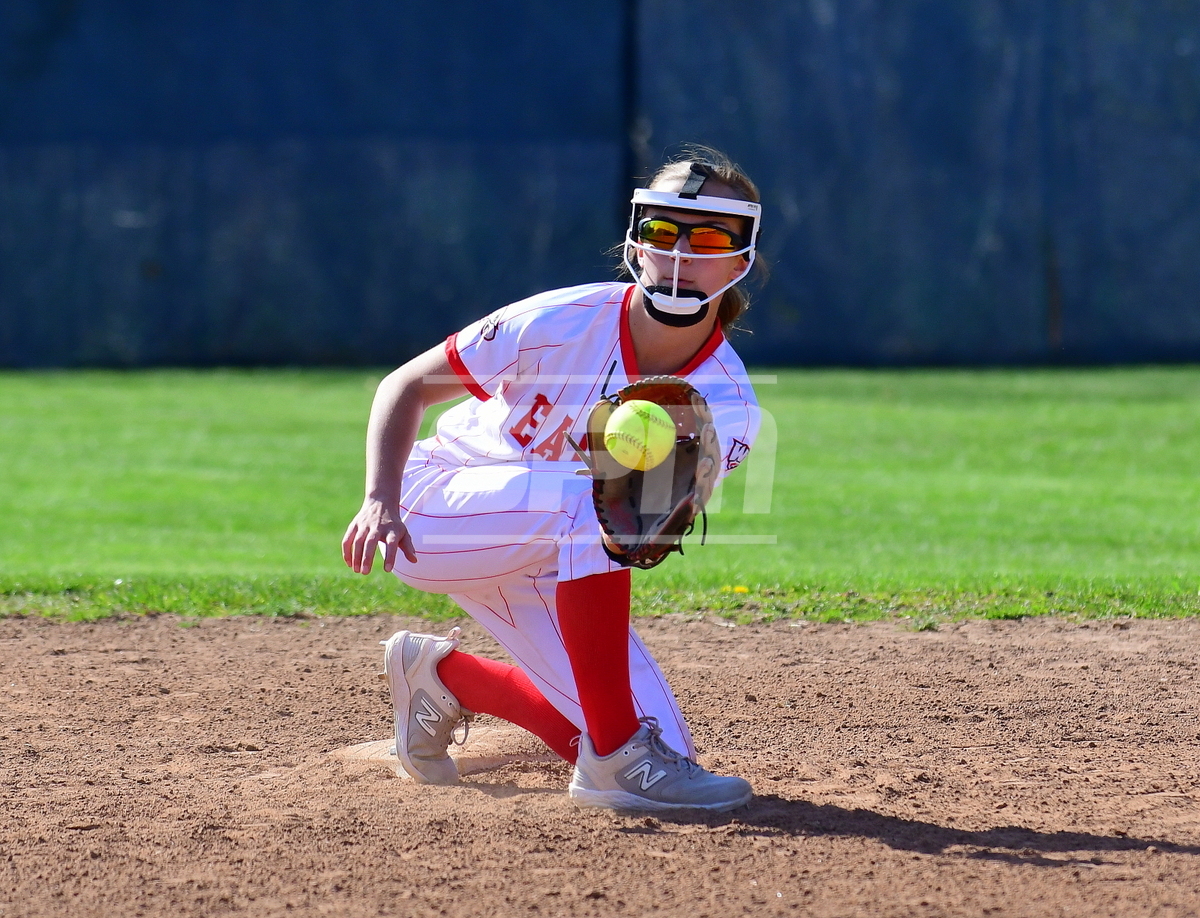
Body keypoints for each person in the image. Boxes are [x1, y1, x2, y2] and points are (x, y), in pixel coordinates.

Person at [341, 146, 764, 813]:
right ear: (637, 241)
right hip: (436, 507)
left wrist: (659, 508)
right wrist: (379, 499)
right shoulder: (561, 319)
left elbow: (635, 533)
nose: (680, 252)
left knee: (661, 743)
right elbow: (407, 385)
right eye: (662, 230)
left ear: (740, 260)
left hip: (551, 556)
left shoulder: (727, 402)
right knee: (589, 506)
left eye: (708, 237)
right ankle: (617, 761)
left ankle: (444, 679)